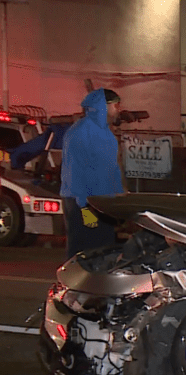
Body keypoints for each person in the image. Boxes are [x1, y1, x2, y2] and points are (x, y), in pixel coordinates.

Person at [60, 88, 125, 259]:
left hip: (102, 203)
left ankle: (97, 284)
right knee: (82, 252)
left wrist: (119, 199)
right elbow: (75, 172)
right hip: (82, 202)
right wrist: (84, 207)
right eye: (115, 105)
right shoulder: (80, 132)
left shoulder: (107, 136)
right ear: (102, 107)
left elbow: (112, 170)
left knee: (103, 252)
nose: (118, 109)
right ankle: (71, 284)